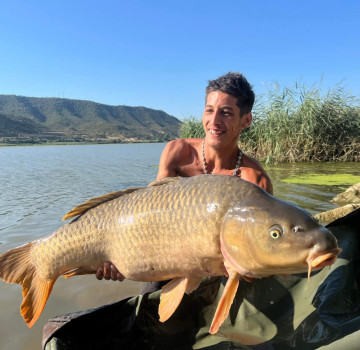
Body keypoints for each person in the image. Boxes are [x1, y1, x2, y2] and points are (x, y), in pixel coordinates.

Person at [95, 71, 273, 283]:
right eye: (209, 111)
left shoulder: (255, 180)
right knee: (149, 294)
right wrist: (122, 257)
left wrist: (247, 270)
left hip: (220, 270)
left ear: (246, 120)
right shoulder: (178, 152)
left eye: (226, 113)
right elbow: (151, 214)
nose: (214, 121)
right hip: (164, 258)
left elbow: (260, 258)